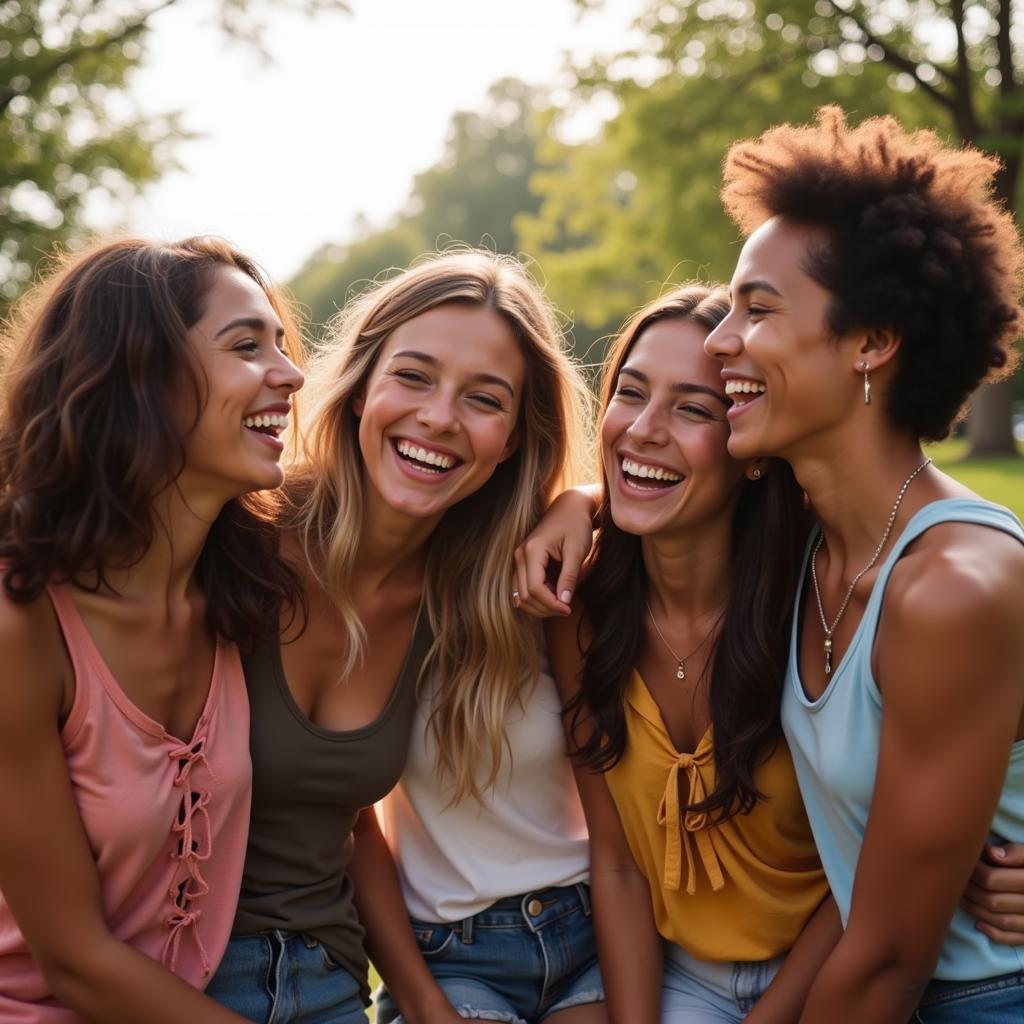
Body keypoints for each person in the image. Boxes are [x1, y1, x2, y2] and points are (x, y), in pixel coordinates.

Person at [204, 250, 593, 1024]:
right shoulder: (234, 539)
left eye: (484, 399)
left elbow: (353, 824)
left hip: (332, 974)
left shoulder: (471, 589)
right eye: (413, 377)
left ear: (515, 437)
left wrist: (590, 499)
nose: (439, 418)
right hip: (185, 966)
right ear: (359, 390)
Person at [704, 107, 1024, 1021]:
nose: (720, 341)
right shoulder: (799, 529)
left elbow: (887, 960)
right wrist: (572, 509)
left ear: (872, 343)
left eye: (757, 309)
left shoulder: (951, 585)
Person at [0, 236, 305, 1023]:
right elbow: (74, 959)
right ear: (141, 377)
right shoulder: (21, 624)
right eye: (246, 346)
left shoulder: (248, 588)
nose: (293, 373)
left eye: (280, 342)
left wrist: (578, 509)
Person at [535, 284, 843, 1024]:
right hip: (684, 978)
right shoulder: (578, 611)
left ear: (753, 449)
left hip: (837, 968)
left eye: (693, 408)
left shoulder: (825, 599)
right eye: (630, 393)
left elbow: (866, 873)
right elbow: (616, 866)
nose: (642, 430)